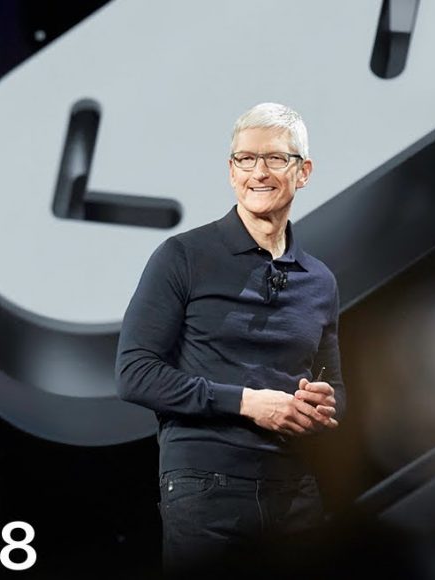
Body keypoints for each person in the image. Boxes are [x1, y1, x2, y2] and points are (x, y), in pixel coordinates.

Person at [115, 102, 345, 575]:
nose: (259, 172)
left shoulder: (320, 281)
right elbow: (135, 373)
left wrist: (324, 405)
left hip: (295, 490)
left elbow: (336, 390)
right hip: (205, 486)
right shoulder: (183, 257)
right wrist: (247, 402)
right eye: (246, 159)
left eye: (275, 158)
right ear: (231, 170)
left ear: (303, 172)